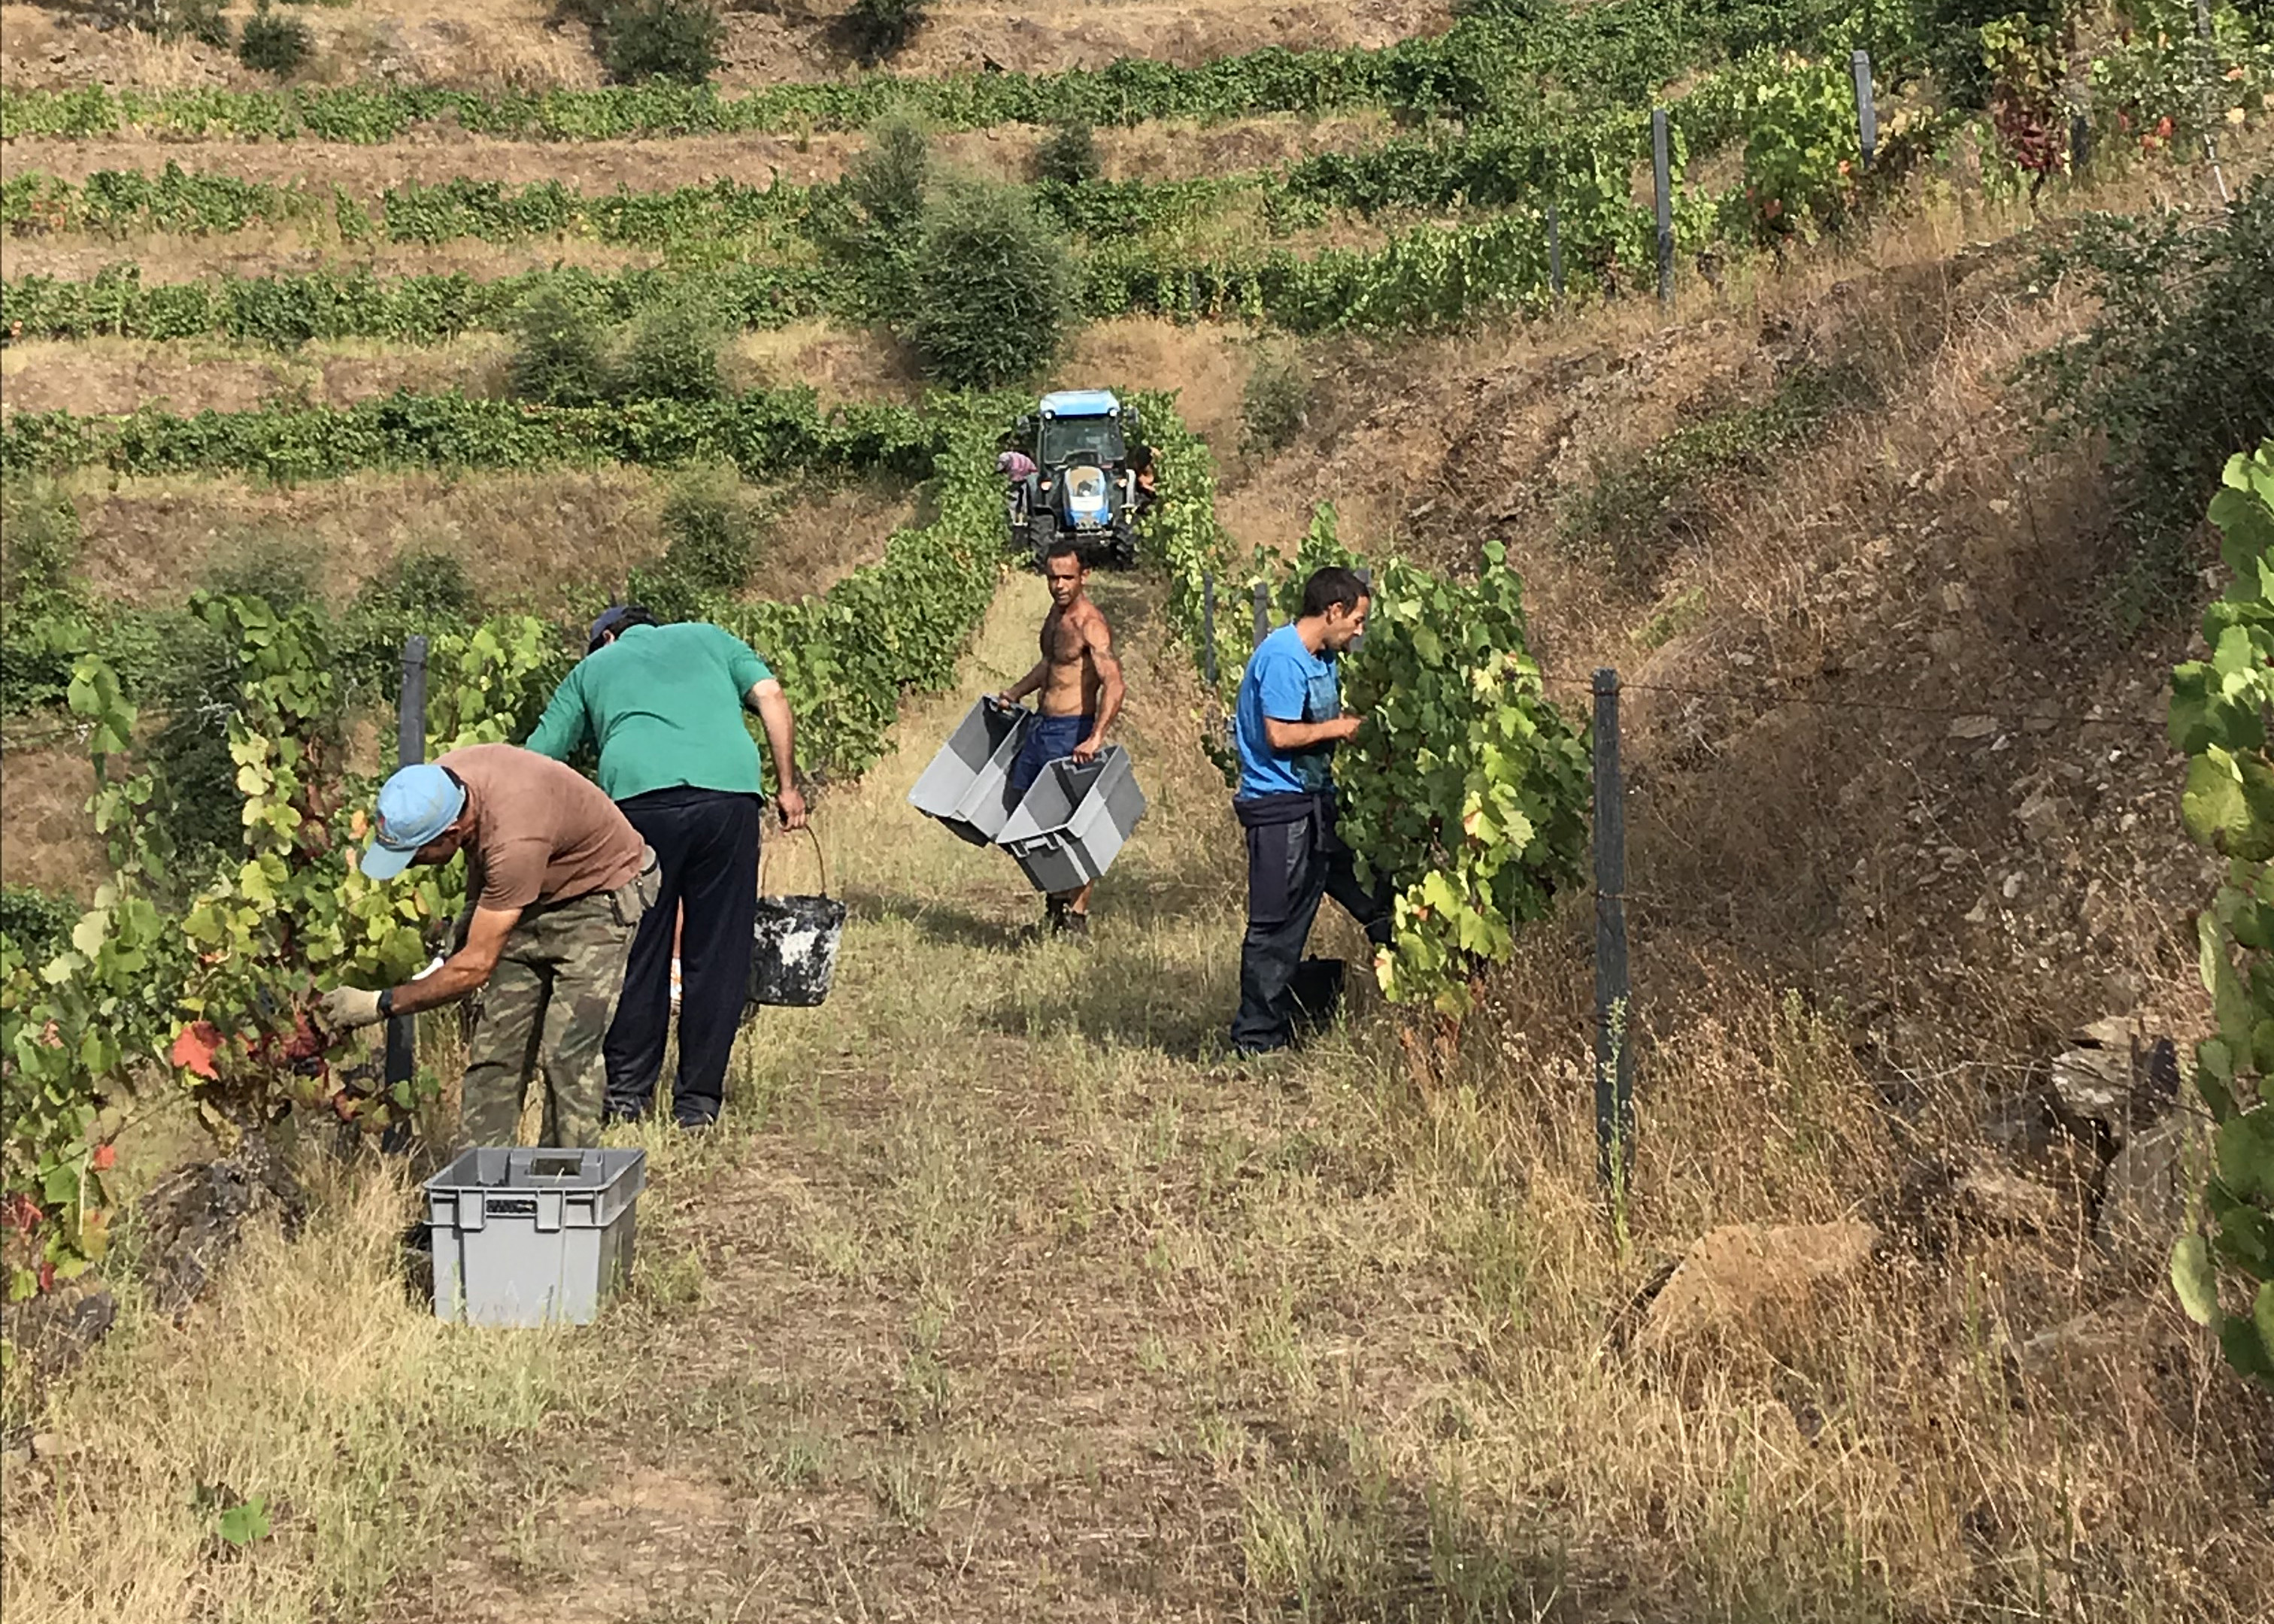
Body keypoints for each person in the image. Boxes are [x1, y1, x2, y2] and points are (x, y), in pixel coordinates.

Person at [523, 604, 805, 1131]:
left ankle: (627, 1096)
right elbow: (771, 696)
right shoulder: (711, 637)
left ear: (608, 638)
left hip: (639, 804)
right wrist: (788, 786)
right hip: (728, 799)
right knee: (718, 953)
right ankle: (697, 1103)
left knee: (639, 949)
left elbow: (538, 756)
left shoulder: (594, 667)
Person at [315, 746, 656, 1147]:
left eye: (415, 853)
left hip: (598, 898)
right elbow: (486, 861)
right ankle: (478, 1174)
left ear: (451, 833)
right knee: (497, 1050)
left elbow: (475, 967)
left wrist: (380, 1004)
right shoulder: (434, 787)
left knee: (567, 1053)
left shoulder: (515, 840)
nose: (409, 865)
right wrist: (463, 925)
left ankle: (567, 1175)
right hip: (527, 893)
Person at [1229, 566, 1390, 1056]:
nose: (1359, 631)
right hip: (1280, 808)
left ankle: (1414, 989)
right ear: (1334, 611)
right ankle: (1257, 1039)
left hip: (1316, 800)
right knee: (1277, 926)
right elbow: (1279, 735)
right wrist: (1341, 729)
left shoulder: (1324, 658)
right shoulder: (1283, 657)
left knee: (1373, 893)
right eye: (1357, 620)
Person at [993, 538, 1125, 936]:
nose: (1060, 585)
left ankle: (1076, 917)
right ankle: (1054, 908)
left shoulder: (1090, 624)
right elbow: (1050, 666)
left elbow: (1114, 683)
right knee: (1031, 816)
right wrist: (1016, 692)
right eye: (1053, 578)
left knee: (1073, 823)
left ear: (1085, 576)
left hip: (1073, 731)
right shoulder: (1054, 617)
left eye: (1068, 577)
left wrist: (1096, 737)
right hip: (1042, 727)